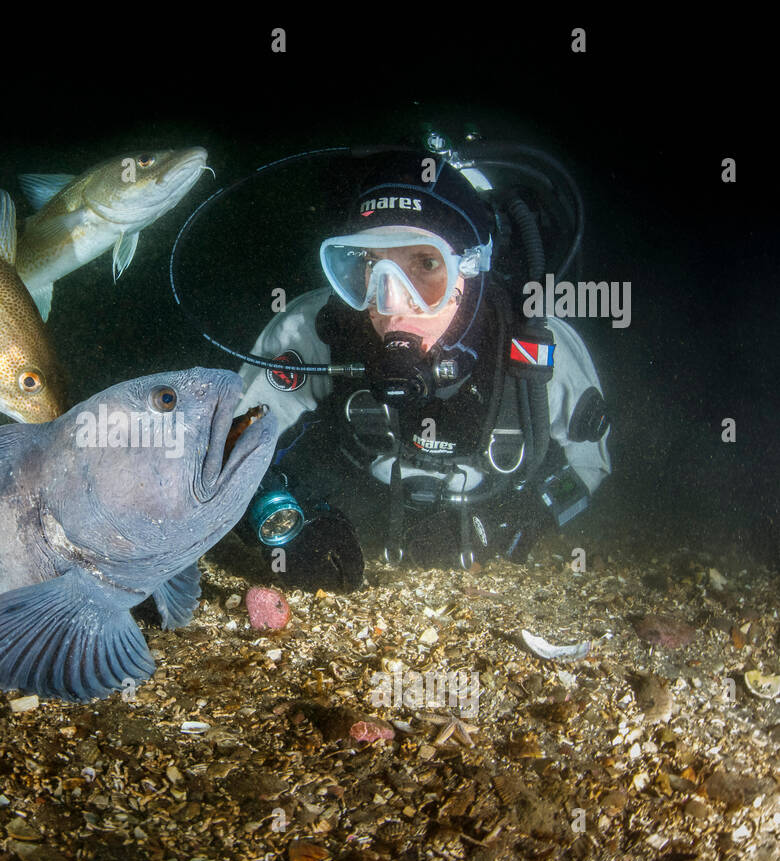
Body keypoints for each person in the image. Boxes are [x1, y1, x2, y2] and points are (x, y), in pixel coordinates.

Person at [235, 150, 611, 589]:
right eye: (368, 265)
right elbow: (230, 446)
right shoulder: (315, 331)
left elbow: (591, 462)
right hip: (362, 504)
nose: (391, 302)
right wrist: (279, 524)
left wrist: (521, 521)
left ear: (469, 270)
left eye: (426, 264)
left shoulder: (536, 346)